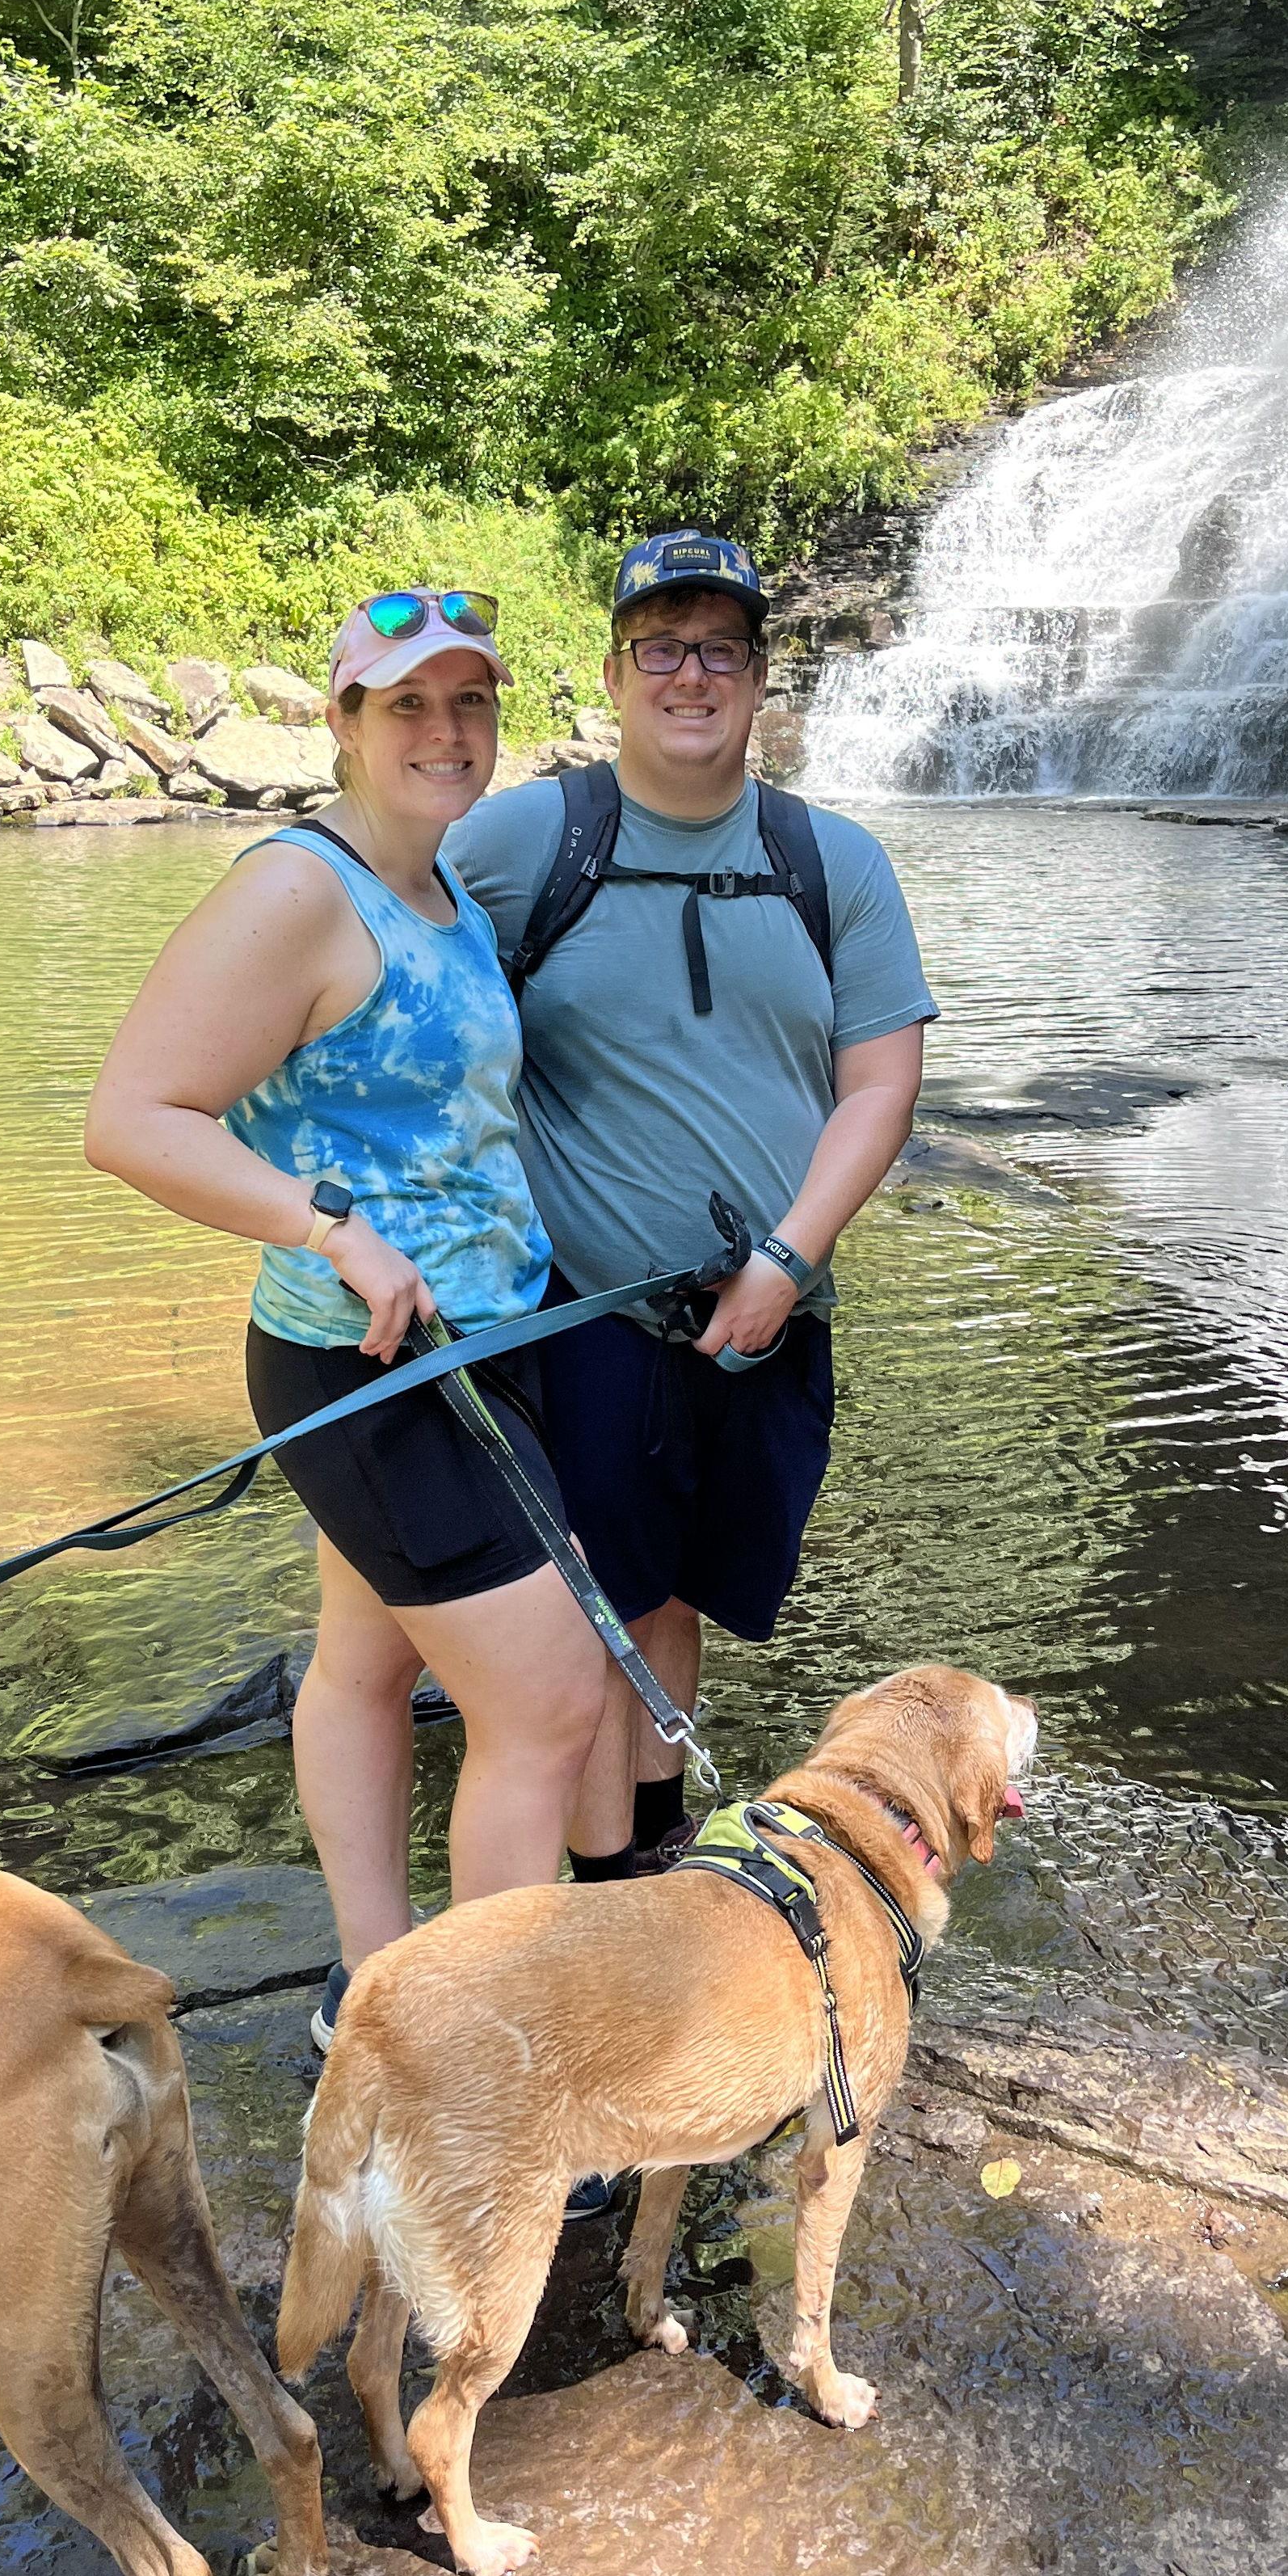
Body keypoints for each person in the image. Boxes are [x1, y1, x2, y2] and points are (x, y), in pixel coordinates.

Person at [85, 590, 608, 2064]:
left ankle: (374, 1991)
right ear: (341, 723)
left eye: (471, 703)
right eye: (407, 705)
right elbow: (130, 1120)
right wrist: (328, 1225)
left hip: (481, 1345)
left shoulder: (437, 889)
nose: (445, 732)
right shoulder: (295, 892)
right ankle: (482, 2060)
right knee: (552, 1702)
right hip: (374, 1370)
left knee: (368, 1666)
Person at [448, 529, 936, 1878]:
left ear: (761, 677)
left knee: (674, 1594)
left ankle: (652, 1835)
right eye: (660, 647)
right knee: (590, 1603)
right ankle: (606, 1885)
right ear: (612, 673)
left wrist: (786, 1257)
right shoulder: (521, 840)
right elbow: (387, 973)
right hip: (582, 1317)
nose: (690, 674)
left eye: (720, 648)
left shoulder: (831, 861)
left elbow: (881, 1078)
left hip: (775, 1312)